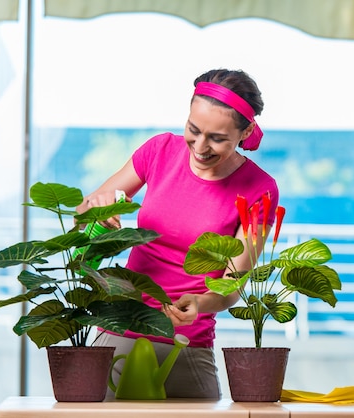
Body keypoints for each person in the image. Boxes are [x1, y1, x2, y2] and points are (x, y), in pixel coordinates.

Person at [77, 68, 279, 399]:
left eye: (217, 139)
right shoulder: (159, 151)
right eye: (193, 130)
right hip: (119, 329)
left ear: (245, 133)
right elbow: (84, 213)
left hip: (187, 343)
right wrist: (101, 213)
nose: (200, 147)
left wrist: (200, 303)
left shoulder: (260, 189)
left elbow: (232, 287)